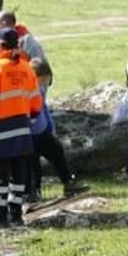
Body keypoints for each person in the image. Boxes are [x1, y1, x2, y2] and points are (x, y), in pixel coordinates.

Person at [0, 27, 42, 231]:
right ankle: (16, 215)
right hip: (22, 131)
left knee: (0, 179)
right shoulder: (26, 68)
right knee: (18, 178)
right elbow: (36, 105)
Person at [26, 58, 89, 201]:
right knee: (33, 165)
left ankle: (68, 183)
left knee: (57, 153)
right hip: (30, 134)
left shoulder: (40, 91)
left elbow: (45, 110)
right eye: (43, 80)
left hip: (42, 132)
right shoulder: (29, 91)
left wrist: (51, 127)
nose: (45, 84)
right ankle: (34, 192)